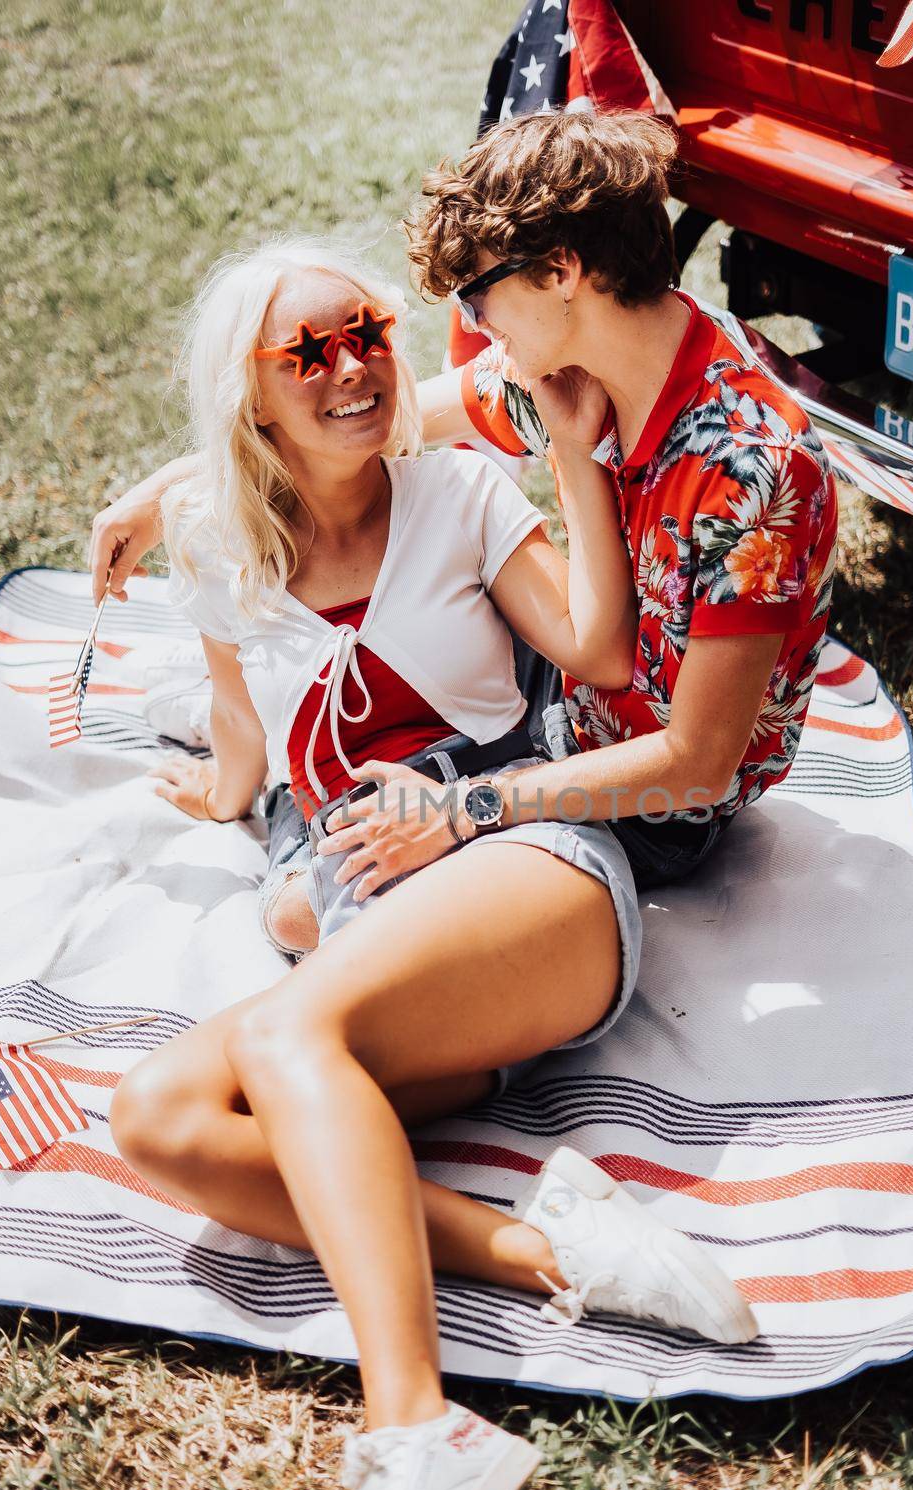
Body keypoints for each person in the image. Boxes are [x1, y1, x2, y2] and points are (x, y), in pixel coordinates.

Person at [107, 235, 758, 1490]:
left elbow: (589, 648)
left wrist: (568, 450)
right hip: (369, 922)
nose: (351, 367)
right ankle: (543, 1242)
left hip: (525, 860)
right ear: (254, 396)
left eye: (365, 332)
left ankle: (413, 1426)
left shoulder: (460, 491)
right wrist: (213, 794)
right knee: (161, 1123)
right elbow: (252, 739)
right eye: (308, 353)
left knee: (288, 1048)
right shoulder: (223, 551)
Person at [90, 110, 839, 915]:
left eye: (478, 296)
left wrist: (464, 811)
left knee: (352, 888)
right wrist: (166, 492)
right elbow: (379, 422)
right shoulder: (575, 360)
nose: (474, 328)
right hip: (557, 690)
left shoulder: (752, 471)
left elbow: (698, 765)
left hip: (640, 796)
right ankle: (227, 722)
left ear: (558, 272)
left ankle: (263, 774)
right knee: (303, 636)